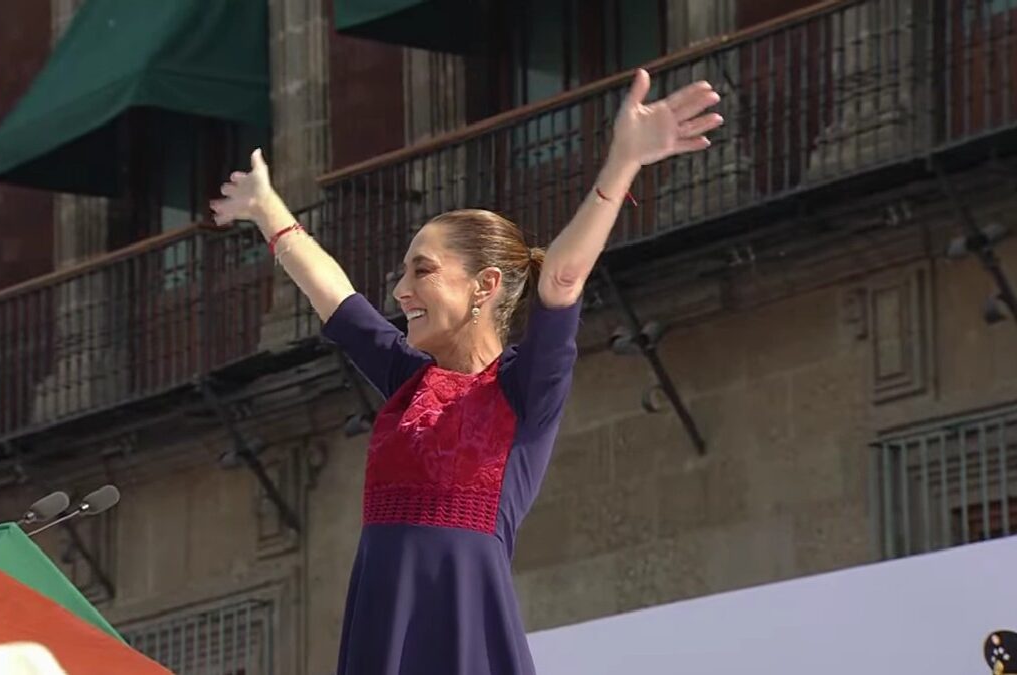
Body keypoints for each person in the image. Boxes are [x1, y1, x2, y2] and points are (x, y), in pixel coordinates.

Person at [211, 68, 722, 675]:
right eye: (402, 274)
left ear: (485, 286)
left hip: (467, 639)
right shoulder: (407, 379)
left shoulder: (524, 390)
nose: (400, 290)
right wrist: (267, 207)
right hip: (383, 636)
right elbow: (336, 296)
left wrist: (623, 164)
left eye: (420, 271)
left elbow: (561, 278)